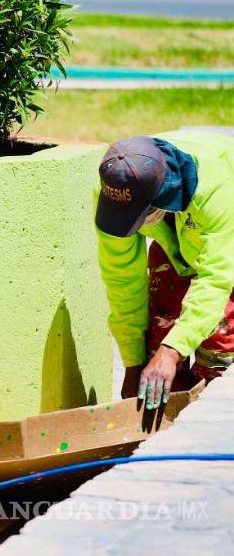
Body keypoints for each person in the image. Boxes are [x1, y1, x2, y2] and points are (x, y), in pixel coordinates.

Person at [96, 131, 234, 411]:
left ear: (165, 195)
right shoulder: (116, 189)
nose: (135, 227)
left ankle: (209, 408)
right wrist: (133, 363)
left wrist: (172, 352)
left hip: (225, 237)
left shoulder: (217, 188)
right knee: (159, 331)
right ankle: (168, 410)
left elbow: (216, 278)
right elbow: (123, 280)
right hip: (181, 239)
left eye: (139, 218)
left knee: (219, 340)